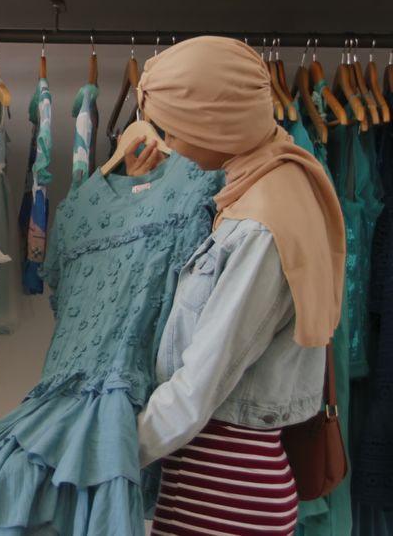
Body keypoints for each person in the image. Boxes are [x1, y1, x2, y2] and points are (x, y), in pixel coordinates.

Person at [123, 36, 345, 535]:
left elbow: (203, 382)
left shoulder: (263, 223)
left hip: (225, 492)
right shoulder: (260, 186)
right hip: (209, 481)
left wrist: (100, 450)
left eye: (173, 129)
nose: (168, 143)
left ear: (212, 122)